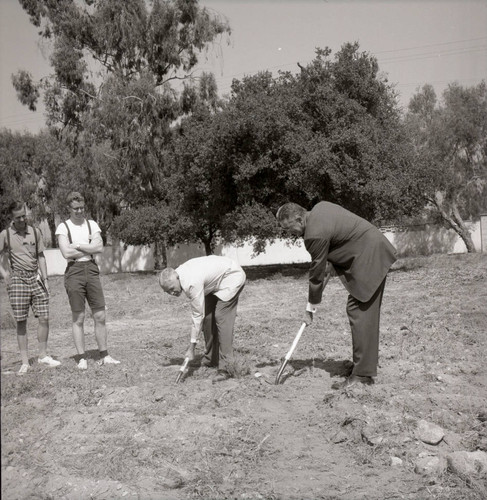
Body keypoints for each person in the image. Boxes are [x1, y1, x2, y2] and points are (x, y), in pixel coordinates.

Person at [276, 201, 397, 388]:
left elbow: (317, 273)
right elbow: (340, 236)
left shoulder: (313, 235)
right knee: (363, 311)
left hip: (369, 256)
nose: (290, 234)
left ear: (299, 219)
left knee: (359, 311)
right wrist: (332, 261)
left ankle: (363, 375)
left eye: (289, 229)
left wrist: (310, 308)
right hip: (373, 249)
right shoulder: (320, 208)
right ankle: (363, 368)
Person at [55, 192, 120, 370]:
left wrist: (76, 245)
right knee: (79, 317)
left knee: (100, 315)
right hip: (74, 271)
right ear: (69, 208)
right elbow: (66, 253)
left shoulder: (92, 225)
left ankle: (104, 354)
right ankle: (82, 357)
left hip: (91, 269)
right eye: (75, 208)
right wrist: (88, 248)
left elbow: (99, 247)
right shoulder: (63, 227)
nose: (79, 211)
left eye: (82, 207)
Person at [159, 255, 246, 383]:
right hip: (214, 282)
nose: (172, 293)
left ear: (177, 278)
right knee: (207, 317)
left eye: (172, 289)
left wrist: (191, 348)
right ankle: (211, 359)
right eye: (168, 291)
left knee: (221, 317)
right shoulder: (179, 275)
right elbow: (201, 315)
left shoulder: (191, 283)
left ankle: (226, 368)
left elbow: (196, 316)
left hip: (232, 277)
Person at [0, 201, 61, 374]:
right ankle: (25, 362)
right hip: (18, 280)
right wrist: (4, 274)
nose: (21, 220)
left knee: (44, 317)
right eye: (17, 217)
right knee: (21, 321)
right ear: (11, 217)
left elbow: (41, 256)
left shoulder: (35, 232)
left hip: (36, 278)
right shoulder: (5, 235)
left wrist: (46, 279)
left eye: (23, 216)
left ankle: (42, 355)